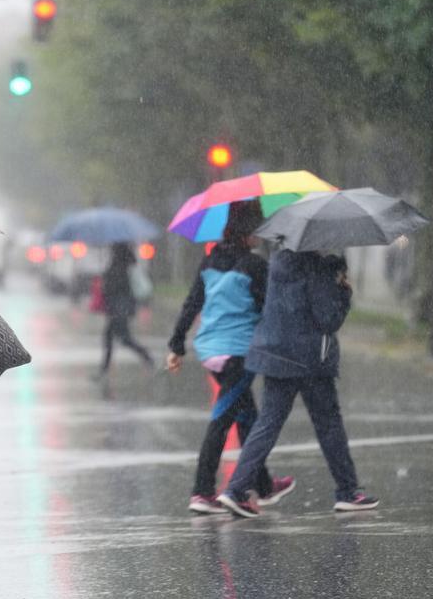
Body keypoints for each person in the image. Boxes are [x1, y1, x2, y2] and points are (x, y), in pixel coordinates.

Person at [216, 248, 378, 516]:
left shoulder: (280, 260)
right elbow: (328, 319)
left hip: (276, 352)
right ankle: (348, 491)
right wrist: (344, 292)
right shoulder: (321, 266)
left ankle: (236, 489)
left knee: (267, 423)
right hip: (309, 359)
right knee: (328, 424)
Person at [166, 200, 293, 514]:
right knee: (222, 419)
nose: (261, 237)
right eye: (258, 231)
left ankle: (263, 485)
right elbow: (269, 308)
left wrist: (177, 344)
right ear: (248, 233)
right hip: (239, 351)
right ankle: (202, 491)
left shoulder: (209, 261)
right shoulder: (255, 265)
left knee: (246, 416)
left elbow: (192, 302)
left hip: (209, 348)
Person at [97, 241, 154, 376]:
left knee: (124, 338)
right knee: (109, 338)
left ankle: (147, 356)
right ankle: (103, 370)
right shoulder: (124, 262)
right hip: (119, 307)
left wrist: (105, 280)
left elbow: (115, 287)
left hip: (119, 308)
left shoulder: (119, 265)